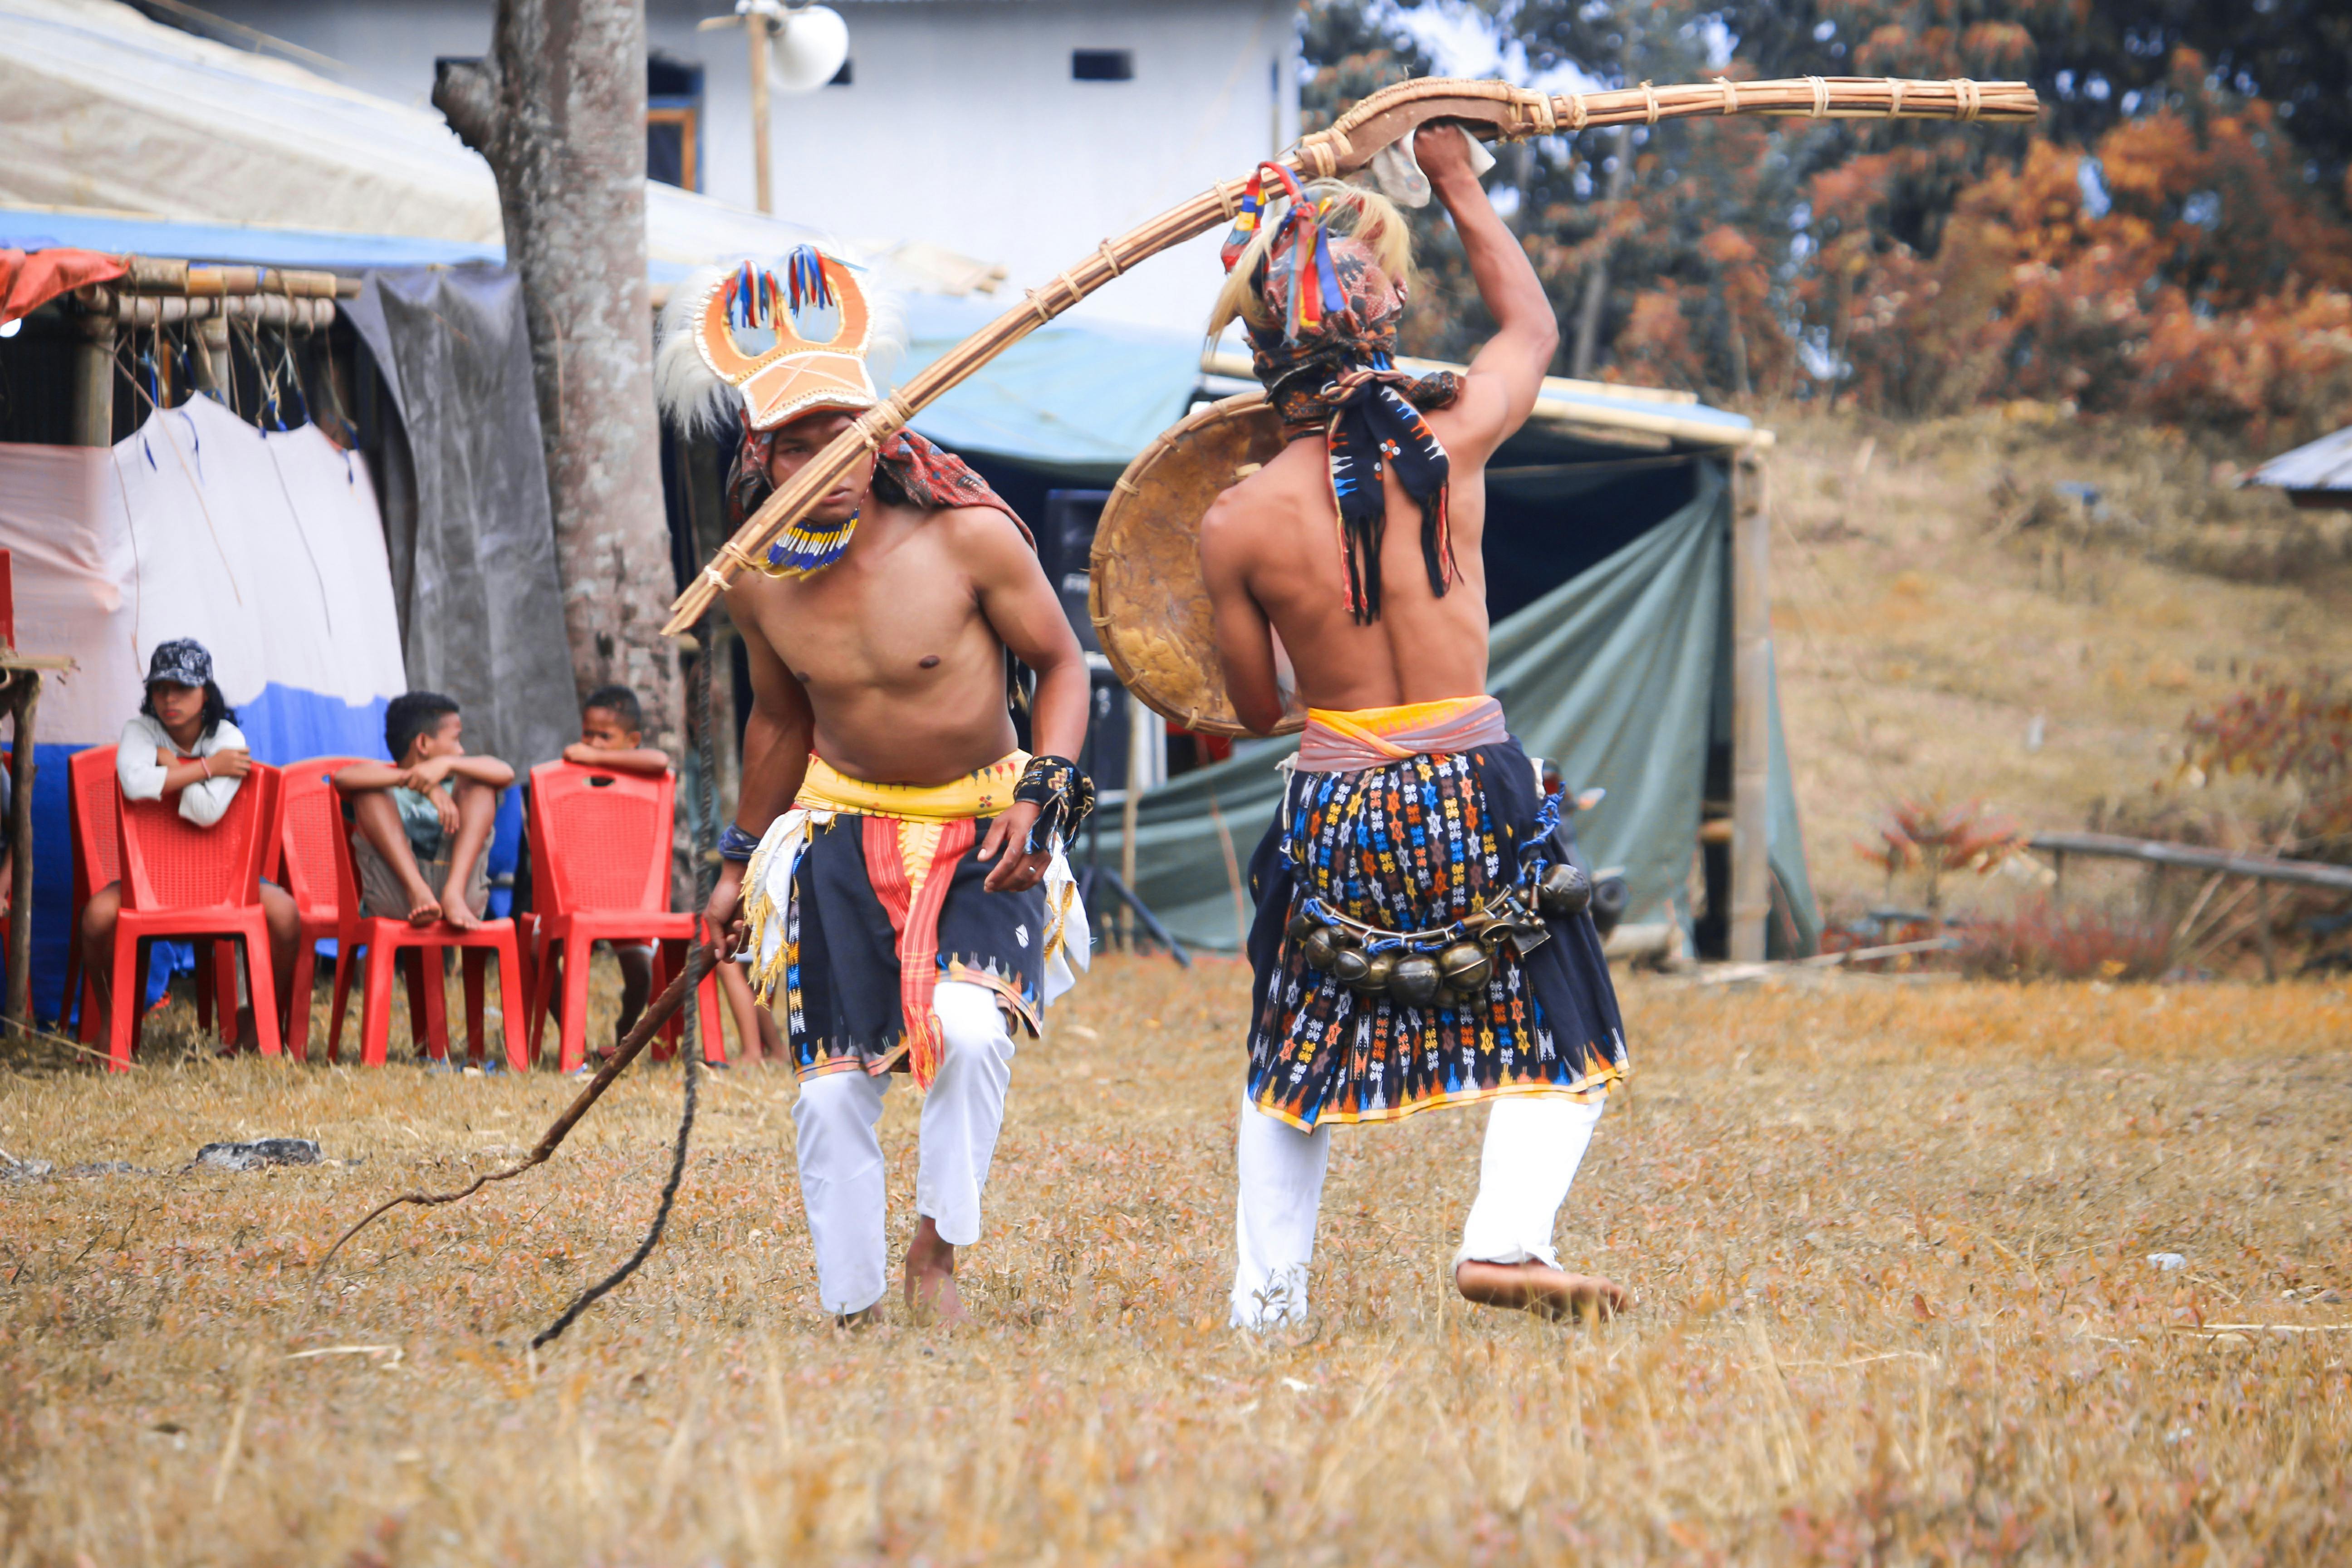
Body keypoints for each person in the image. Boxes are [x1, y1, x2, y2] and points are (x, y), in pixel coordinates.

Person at [1197, 130, 1632, 1328]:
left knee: (1291, 1054)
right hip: (1474, 783)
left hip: (1339, 796)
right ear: (1376, 322)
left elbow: (1246, 712)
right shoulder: (1454, 441)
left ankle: (1267, 1308)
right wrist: (1454, 182)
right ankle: (1505, 1239)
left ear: (1262, 347)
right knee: (1570, 1021)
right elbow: (1530, 331)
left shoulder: (1234, 523)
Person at [661, 246, 1093, 1324]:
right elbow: (780, 720)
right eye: (798, 439)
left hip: (987, 822)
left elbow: (1065, 663)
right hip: (841, 838)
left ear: (883, 429)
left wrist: (1043, 799)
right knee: (829, 1085)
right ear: (761, 455)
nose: (827, 457)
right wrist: (730, 863)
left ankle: (935, 1256)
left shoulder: (969, 538)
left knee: (974, 1031)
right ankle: (850, 1303)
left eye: (844, 431)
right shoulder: (758, 585)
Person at [77, 639, 300, 1052]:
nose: (169, 698)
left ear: (206, 694)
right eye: (160, 688)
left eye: (182, 688)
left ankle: (257, 1021)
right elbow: (133, 783)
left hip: (223, 879)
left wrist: (172, 764)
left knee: (285, 916)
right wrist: (205, 769)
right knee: (96, 919)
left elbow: (205, 811)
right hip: (151, 882)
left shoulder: (227, 737)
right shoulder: (140, 731)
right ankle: (112, 1024)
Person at [333, 691, 514, 934]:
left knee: (482, 787)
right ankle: (418, 889)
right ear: (424, 744)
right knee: (368, 792)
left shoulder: (462, 787)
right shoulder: (384, 785)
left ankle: (454, 892)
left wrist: (449, 764)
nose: (461, 751)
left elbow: (506, 773)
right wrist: (420, 784)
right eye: (456, 740)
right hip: (399, 899)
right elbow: (343, 778)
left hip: (462, 900)